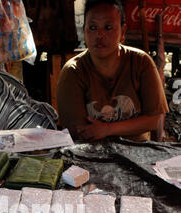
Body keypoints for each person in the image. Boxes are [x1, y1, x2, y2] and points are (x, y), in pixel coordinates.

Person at [56, 0, 169, 142]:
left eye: (108, 27)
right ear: (84, 31)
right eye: (92, 27)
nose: (100, 35)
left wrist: (107, 129)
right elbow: (78, 130)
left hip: (137, 150)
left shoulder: (141, 62)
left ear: (123, 32)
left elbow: (153, 120)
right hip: (92, 153)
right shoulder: (72, 72)